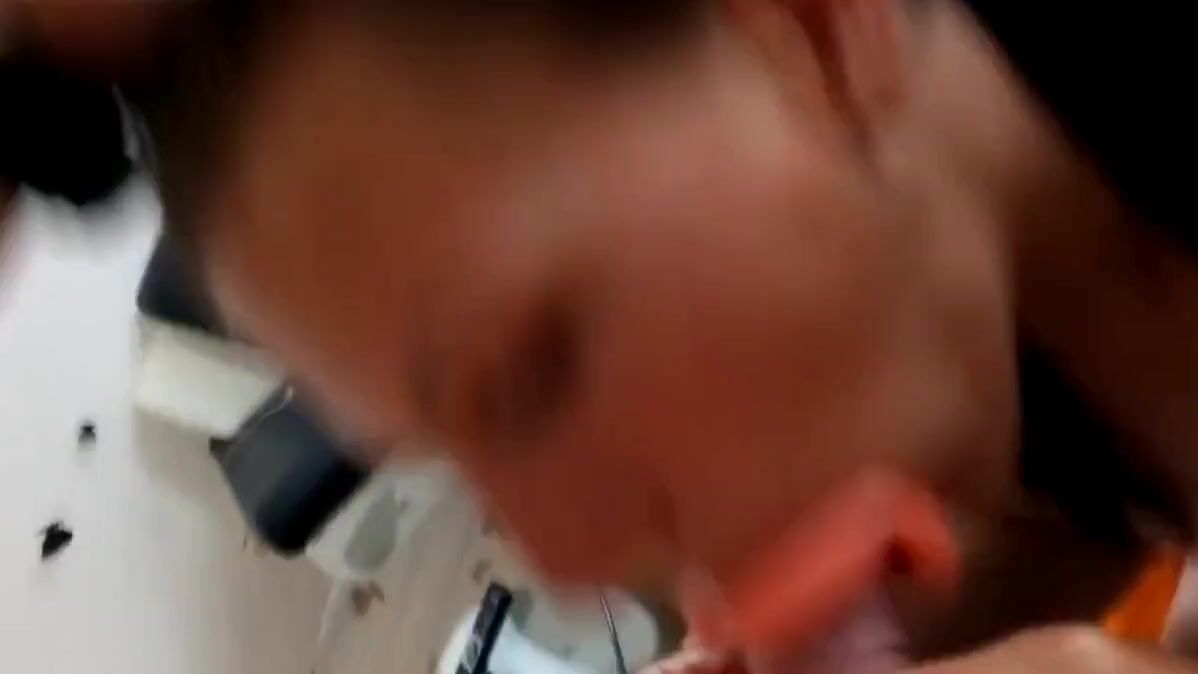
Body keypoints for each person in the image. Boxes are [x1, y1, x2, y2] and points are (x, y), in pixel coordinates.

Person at [2, 1, 1196, 672]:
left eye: (528, 375)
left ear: (813, 29)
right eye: (448, 455)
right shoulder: (999, 329)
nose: (561, 558)